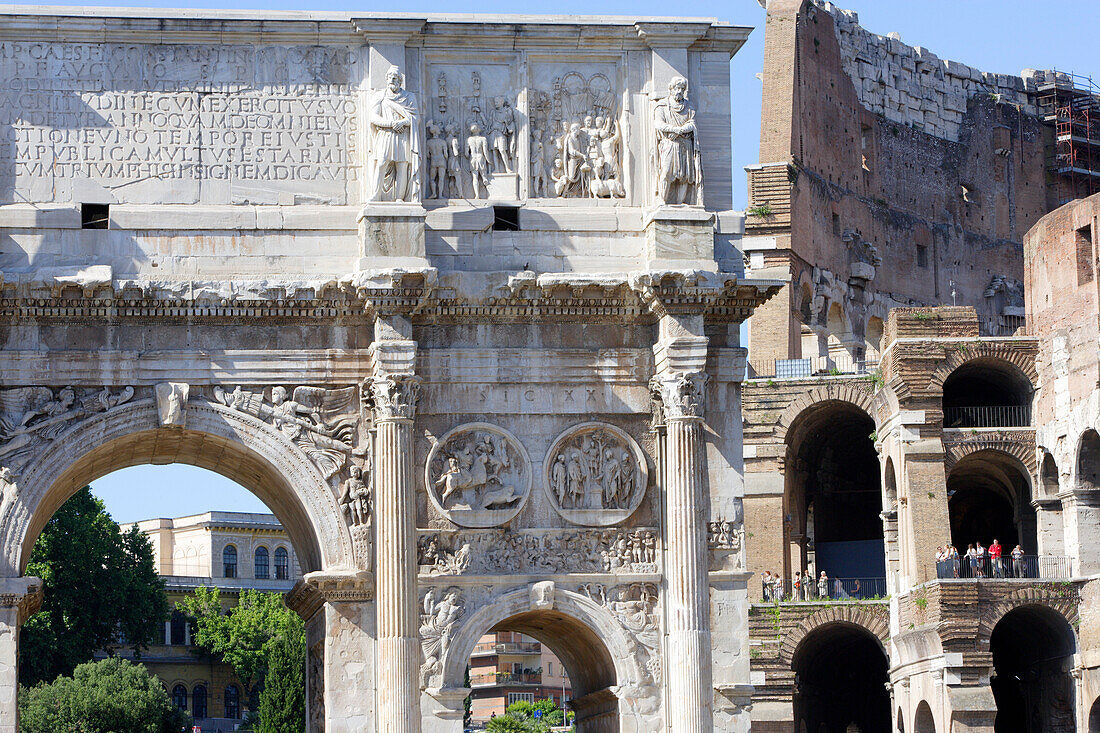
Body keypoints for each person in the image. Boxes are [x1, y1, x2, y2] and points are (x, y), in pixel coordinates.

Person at [367, 65, 419, 202]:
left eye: (395, 77)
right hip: (385, 134)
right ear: (386, 79)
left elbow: (415, 118)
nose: (393, 79)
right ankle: (376, 195)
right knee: (381, 164)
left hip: (402, 135)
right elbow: (373, 117)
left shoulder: (409, 97)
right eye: (390, 76)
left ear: (400, 80)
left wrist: (402, 123)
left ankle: (399, 198)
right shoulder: (380, 96)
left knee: (402, 165)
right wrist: (390, 124)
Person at [653, 75, 703, 205]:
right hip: (670, 144)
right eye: (677, 88)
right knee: (666, 173)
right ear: (671, 89)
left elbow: (692, 123)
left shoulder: (689, 106)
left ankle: (681, 203)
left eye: (682, 89)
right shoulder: (662, 106)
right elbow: (658, 123)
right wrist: (674, 129)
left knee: (685, 176)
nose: (679, 91)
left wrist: (681, 130)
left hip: (685, 144)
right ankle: (662, 201)